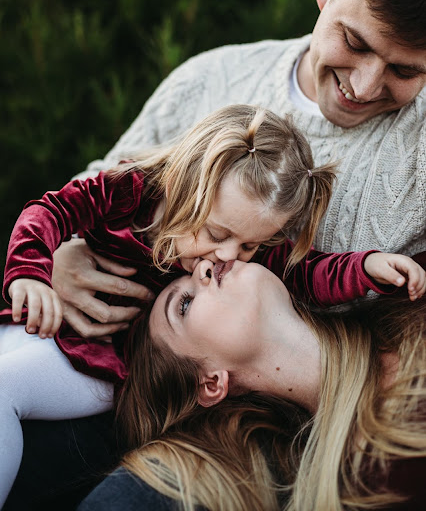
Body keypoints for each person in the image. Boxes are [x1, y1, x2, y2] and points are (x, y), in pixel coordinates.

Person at [7, 0, 426, 507]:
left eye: (405, 70)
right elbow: (100, 184)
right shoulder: (213, 78)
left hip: (268, 437)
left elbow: (321, 284)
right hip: (123, 370)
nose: (365, 86)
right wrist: (62, 255)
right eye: (355, 42)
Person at [5, 103, 423, 506]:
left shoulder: (244, 262)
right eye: (217, 233)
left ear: (214, 382)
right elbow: (53, 210)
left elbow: (309, 273)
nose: (224, 258)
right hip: (46, 317)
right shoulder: (129, 193)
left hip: (96, 357)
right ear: (181, 184)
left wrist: (365, 267)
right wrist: (33, 268)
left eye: (251, 245)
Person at [79, 255, 426, 511]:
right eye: (184, 305)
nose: (203, 265)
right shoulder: (360, 490)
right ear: (211, 384)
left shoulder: (408, 286)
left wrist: (74, 245)